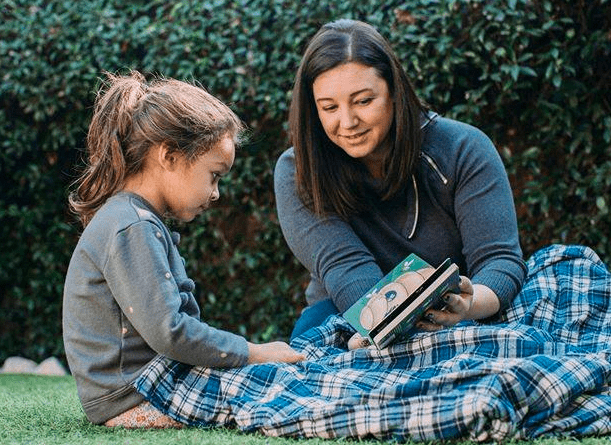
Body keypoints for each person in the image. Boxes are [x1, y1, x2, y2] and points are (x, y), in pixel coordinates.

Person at [63, 71, 304, 428]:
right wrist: (253, 353)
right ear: (169, 157)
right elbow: (171, 332)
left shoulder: (132, 218)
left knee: (281, 380)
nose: (216, 193)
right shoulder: (133, 226)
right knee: (279, 392)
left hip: (143, 385)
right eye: (214, 175)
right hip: (135, 395)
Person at [274, 19, 528, 340]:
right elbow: (346, 268)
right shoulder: (297, 169)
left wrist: (469, 304)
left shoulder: (463, 148)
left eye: (364, 101)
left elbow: (499, 260)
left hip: (450, 311)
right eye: (329, 107)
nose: (348, 122)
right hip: (347, 311)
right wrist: (382, 331)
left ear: (394, 92)